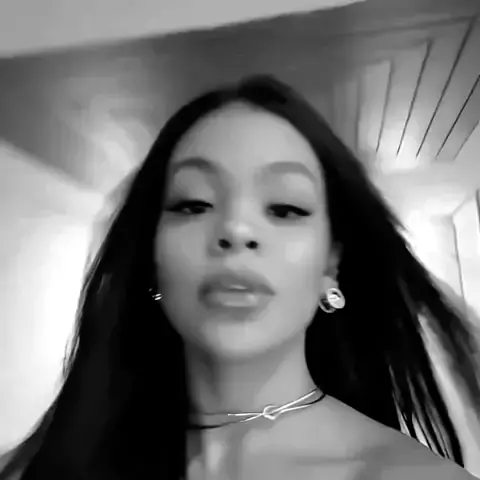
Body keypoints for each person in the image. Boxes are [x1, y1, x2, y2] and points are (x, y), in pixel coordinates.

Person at [1, 75, 480, 480]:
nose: (235, 229)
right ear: (151, 256)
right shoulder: (45, 466)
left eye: (285, 208)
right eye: (194, 204)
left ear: (330, 264)